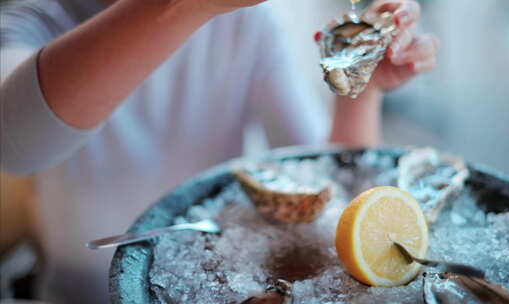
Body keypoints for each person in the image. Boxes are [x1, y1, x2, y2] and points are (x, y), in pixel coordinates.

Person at [0, 0, 439, 302]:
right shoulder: (33, 19)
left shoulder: (247, 23)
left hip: (211, 290)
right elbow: (15, 145)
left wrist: (362, 90)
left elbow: (324, 186)